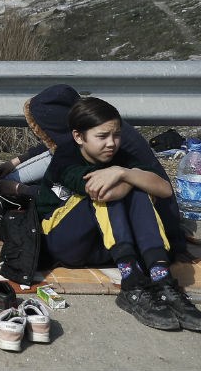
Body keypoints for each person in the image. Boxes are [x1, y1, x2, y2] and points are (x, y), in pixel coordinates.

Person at [36, 97, 200, 332]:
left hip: (102, 246)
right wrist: (131, 178)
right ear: (78, 137)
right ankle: (132, 283)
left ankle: (161, 279)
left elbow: (164, 188)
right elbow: (103, 193)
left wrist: (121, 171)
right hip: (64, 241)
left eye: (116, 135)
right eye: (102, 137)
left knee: (138, 189)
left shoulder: (118, 158)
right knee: (118, 194)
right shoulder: (67, 157)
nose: (111, 143)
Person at [22, 83, 190, 259]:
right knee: (135, 186)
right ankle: (144, 264)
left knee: (129, 193)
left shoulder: (110, 144)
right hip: (127, 229)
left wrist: (123, 174)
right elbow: (53, 151)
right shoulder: (106, 135)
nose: (110, 142)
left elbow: (104, 193)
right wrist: (128, 177)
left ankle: (143, 265)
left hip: (150, 223)